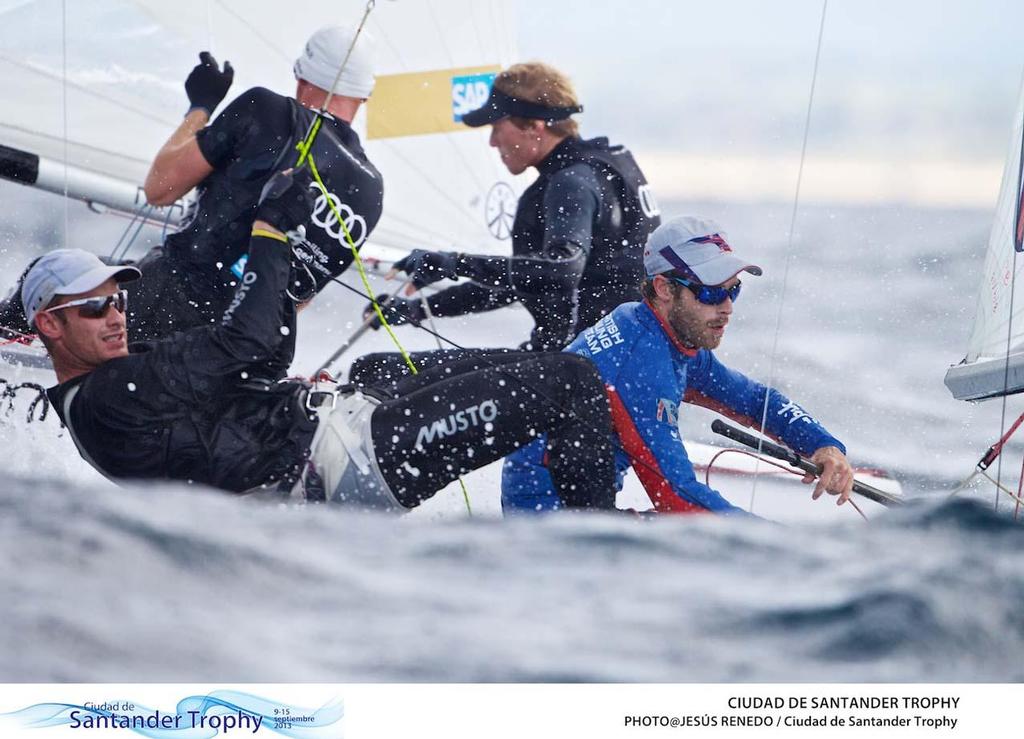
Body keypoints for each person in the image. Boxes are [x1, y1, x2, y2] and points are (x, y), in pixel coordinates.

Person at [25, 171, 616, 511]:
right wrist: (269, 234)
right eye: (95, 306)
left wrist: (285, 266)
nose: (116, 316)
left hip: (329, 434)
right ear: (50, 326)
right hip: (335, 472)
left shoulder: (125, 374)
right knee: (574, 382)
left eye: (119, 300)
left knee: (392, 365)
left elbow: (263, 355)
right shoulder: (111, 395)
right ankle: (595, 551)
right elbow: (251, 341)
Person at [1, 25, 384, 343]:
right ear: (365, 96)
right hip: (250, 347)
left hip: (171, 300)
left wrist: (200, 106)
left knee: (47, 275)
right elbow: (298, 297)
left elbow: (160, 188)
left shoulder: (267, 109)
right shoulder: (372, 190)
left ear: (301, 75)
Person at [501, 215, 856, 514]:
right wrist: (780, 545)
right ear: (664, 288)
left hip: (583, 508)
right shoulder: (638, 362)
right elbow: (676, 495)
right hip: (550, 525)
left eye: (733, 290)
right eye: (711, 292)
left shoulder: (659, 329)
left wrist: (823, 445)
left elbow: (752, 400)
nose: (727, 307)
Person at [350, 61, 660, 389]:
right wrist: (419, 309)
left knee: (373, 372)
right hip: (622, 364)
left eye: (497, 127)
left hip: (572, 373)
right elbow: (525, 280)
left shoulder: (571, 183)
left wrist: (454, 263)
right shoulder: (609, 163)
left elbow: (561, 270)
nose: (493, 142)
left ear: (535, 125)